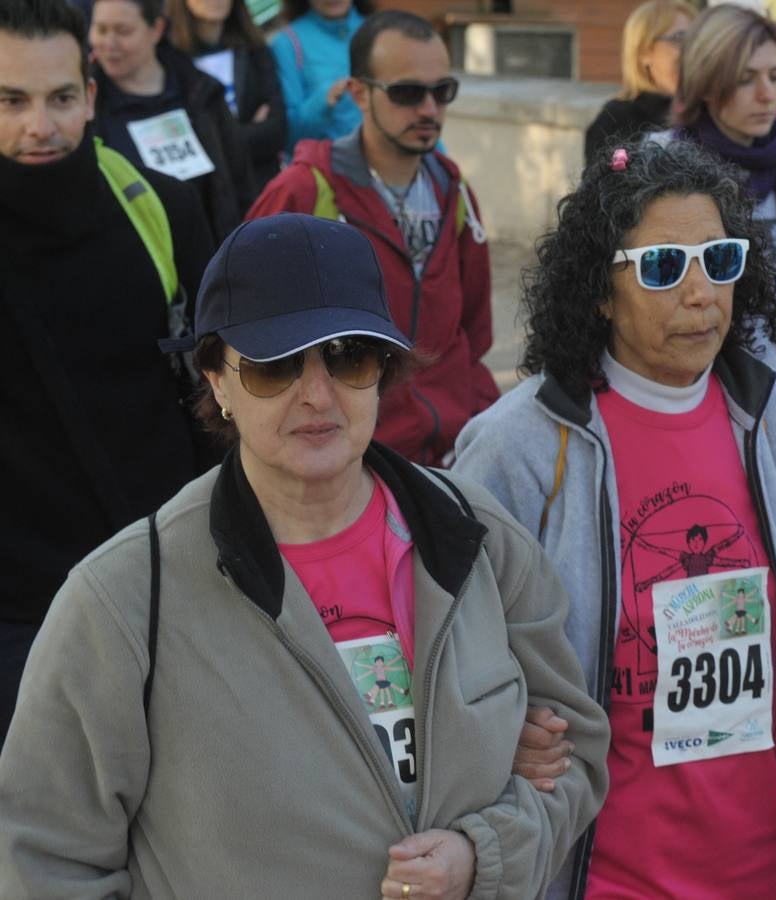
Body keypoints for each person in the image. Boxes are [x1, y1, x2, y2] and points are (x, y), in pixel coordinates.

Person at [0, 212, 609, 898]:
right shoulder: (124, 600)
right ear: (217, 380)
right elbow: (46, 859)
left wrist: (482, 855)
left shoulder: (477, 536)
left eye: (348, 356)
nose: (317, 394)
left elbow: (575, 752)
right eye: (274, 365)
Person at [455, 139, 776, 899]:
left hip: (765, 857)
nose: (701, 295)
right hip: (609, 869)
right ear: (601, 290)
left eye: (720, 261)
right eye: (664, 269)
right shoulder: (518, 446)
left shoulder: (771, 417)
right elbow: (458, 649)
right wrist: (509, 729)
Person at [0, 0, 215, 744]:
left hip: (160, 589)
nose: (40, 126)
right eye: (12, 101)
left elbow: (219, 387)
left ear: (91, 95)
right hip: (16, 618)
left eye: (60, 98)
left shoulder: (158, 207)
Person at [250, 10, 496, 465]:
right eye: (407, 93)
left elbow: (475, 329)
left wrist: (474, 403)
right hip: (347, 462)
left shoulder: (453, 189)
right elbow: (247, 341)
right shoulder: (303, 191)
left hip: (453, 450)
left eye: (442, 92)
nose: (429, 109)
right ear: (359, 93)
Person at [663, 3, 776, 447]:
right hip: (689, 416)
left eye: (775, 75)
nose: (767, 94)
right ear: (708, 82)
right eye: (746, 79)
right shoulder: (663, 166)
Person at [90, 0, 252, 242]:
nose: (109, 43)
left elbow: (240, 180)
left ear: (156, 29)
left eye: (123, 31)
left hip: (218, 253)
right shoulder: (87, 109)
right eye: (101, 30)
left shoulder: (201, 91)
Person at [165, 0, 288, 191]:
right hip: (208, 196)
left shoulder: (255, 51)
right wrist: (250, 131)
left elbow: (276, 132)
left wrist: (215, 139)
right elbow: (184, 147)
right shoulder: (169, 62)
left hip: (263, 189)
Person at [583, 0, 695, 168]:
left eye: (696, 39)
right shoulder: (616, 120)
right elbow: (604, 189)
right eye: (679, 38)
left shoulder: (707, 111)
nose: (691, 50)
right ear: (644, 52)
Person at [270, 0, 370, 151]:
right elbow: (288, 136)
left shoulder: (378, 28)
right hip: (330, 166)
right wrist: (324, 100)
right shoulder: (287, 43)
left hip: (391, 159)